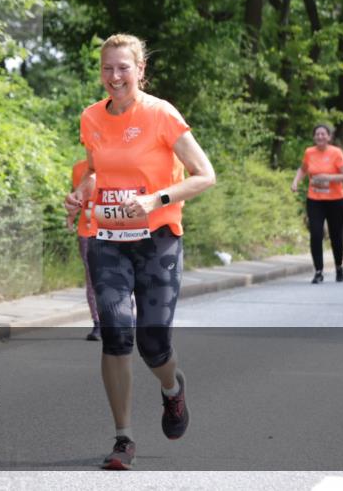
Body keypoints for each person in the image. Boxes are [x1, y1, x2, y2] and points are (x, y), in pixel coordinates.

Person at [64, 34, 216, 470]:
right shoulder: (91, 118)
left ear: (140, 70)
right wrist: (80, 193)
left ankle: (172, 390)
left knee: (153, 341)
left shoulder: (161, 114)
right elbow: (96, 171)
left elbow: (204, 175)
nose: (115, 77)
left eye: (123, 68)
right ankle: (123, 438)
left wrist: (157, 200)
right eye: (108, 68)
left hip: (157, 240)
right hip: (108, 239)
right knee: (115, 332)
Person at [290, 124, 343, 284]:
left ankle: (339, 267)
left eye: (323, 134)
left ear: (329, 137)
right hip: (315, 200)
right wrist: (296, 181)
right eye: (317, 134)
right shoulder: (309, 152)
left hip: (335, 200)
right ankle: (318, 271)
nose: (320, 137)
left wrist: (327, 178)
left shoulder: (336, 153)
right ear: (314, 137)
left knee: (336, 235)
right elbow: (303, 169)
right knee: (316, 234)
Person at [72, 159, 101, 341]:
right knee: (92, 278)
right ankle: (97, 324)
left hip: (115, 229)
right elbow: (76, 197)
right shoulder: (78, 168)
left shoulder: (120, 161)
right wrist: (71, 214)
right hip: (87, 230)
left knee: (118, 277)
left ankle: (120, 320)